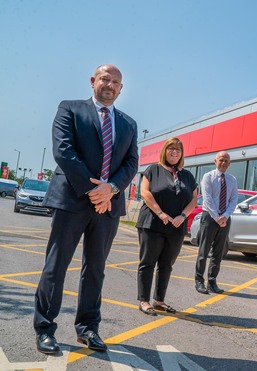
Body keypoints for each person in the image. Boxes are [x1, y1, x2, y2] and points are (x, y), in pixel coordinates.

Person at [34, 64, 138, 354]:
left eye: (116, 82)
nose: (110, 85)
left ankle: (88, 329)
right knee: (56, 266)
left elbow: (131, 164)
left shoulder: (129, 124)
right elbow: (63, 150)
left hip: (109, 206)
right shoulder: (70, 108)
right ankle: (45, 328)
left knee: (95, 270)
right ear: (93, 81)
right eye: (105, 79)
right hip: (72, 200)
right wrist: (95, 190)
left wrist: (111, 189)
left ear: (121, 89)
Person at [136, 137, 198, 316]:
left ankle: (160, 300)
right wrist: (160, 213)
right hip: (153, 223)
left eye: (178, 150)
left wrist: (183, 216)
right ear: (165, 151)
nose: (174, 152)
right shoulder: (153, 170)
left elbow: (194, 199)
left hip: (176, 226)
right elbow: (145, 192)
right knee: (147, 263)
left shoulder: (187, 175)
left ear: (181, 154)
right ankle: (144, 300)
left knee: (166, 265)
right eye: (171, 149)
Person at [194, 151, 238, 294]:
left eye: (226, 160)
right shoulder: (208, 177)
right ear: (215, 161)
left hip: (225, 219)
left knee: (218, 253)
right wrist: (216, 216)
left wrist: (224, 216)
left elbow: (233, 200)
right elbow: (207, 199)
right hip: (210, 217)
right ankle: (199, 281)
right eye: (221, 160)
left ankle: (212, 282)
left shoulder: (232, 179)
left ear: (229, 163)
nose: (223, 162)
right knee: (203, 251)